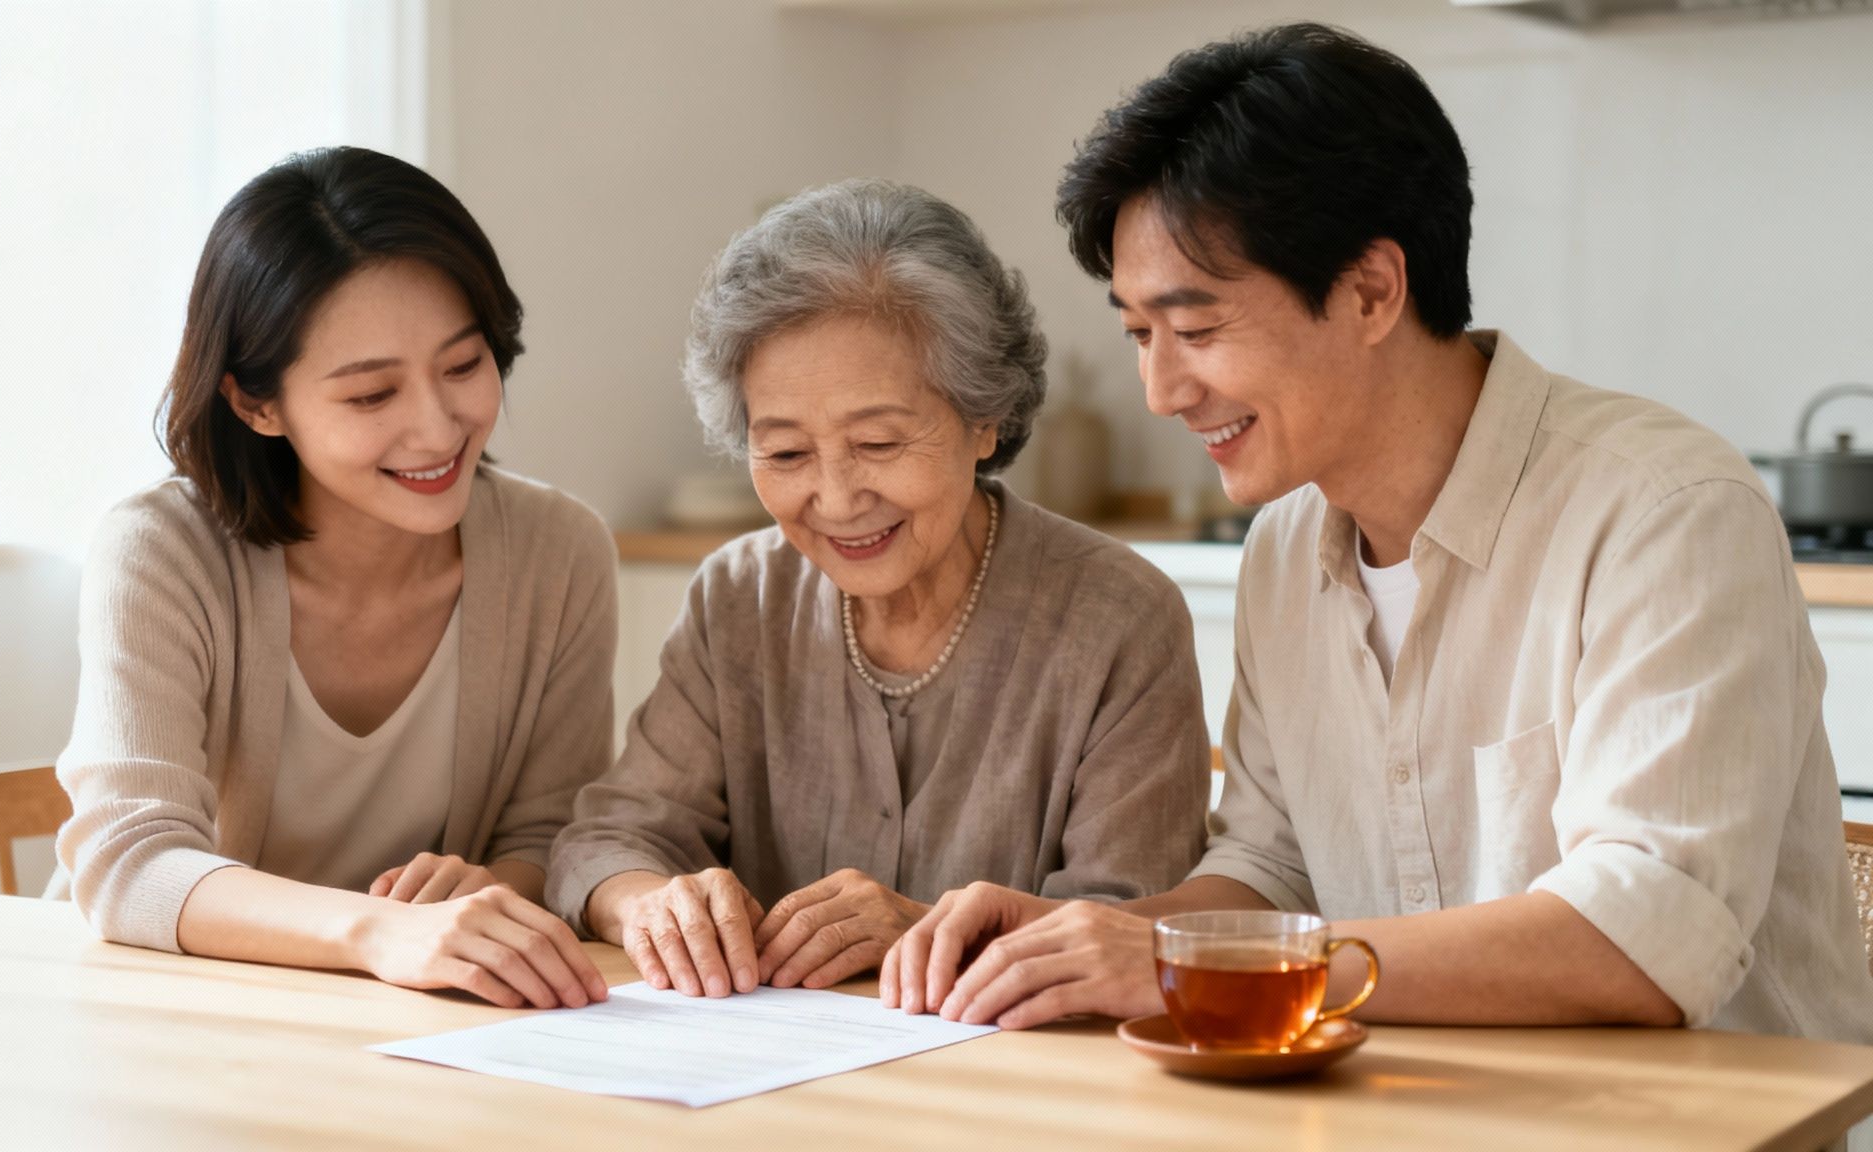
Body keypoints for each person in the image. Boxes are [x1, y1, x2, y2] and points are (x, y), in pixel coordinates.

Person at [884, 23, 1873, 1042]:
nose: (1160, 390)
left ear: (1368, 290)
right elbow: (1269, 868)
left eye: (1196, 329)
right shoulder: (1282, 547)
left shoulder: (1662, 515)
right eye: (1138, 334)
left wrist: (1162, 961)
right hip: (1414, 1111)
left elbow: (1643, 940)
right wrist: (1079, 944)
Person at [546, 179, 1206, 999]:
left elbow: (1134, 927)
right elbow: (606, 840)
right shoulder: (739, 597)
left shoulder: (1117, 617)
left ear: (983, 418)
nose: (836, 497)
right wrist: (652, 903)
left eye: (880, 442)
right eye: (786, 454)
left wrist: (924, 929)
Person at [54, 146, 612, 1012]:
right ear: (256, 403)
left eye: (464, 367)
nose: (436, 429)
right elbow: (132, 866)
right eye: (370, 396)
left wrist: (487, 890)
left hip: (416, 1026)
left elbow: (551, 834)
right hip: (170, 1015)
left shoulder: (558, 550)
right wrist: (379, 931)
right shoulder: (161, 550)